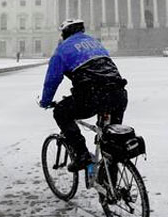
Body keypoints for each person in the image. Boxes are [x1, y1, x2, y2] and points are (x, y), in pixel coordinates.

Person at [39, 19, 128, 171]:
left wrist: (45, 101)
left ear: (65, 33)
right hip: (119, 95)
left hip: (93, 97)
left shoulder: (63, 49)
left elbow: (52, 79)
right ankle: (111, 187)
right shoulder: (95, 44)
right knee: (112, 144)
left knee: (61, 112)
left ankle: (82, 155)